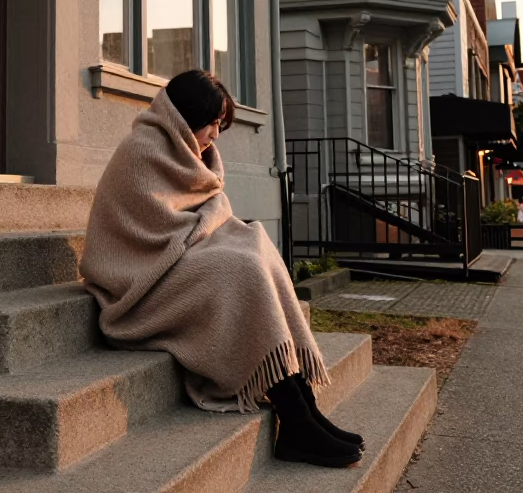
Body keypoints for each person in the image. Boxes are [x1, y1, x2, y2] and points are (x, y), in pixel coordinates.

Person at [80, 70, 363, 468]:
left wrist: (217, 228)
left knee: (255, 244)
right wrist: (211, 232)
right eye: (212, 122)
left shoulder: (191, 155)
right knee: (238, 269)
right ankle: (296, 420)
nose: (216, 133)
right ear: (185, 117)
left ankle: (305, 408)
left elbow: (205, 211)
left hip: (175, 259)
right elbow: (150, 231)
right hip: (138, 283)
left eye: (220, 124)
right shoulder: (142, 150)